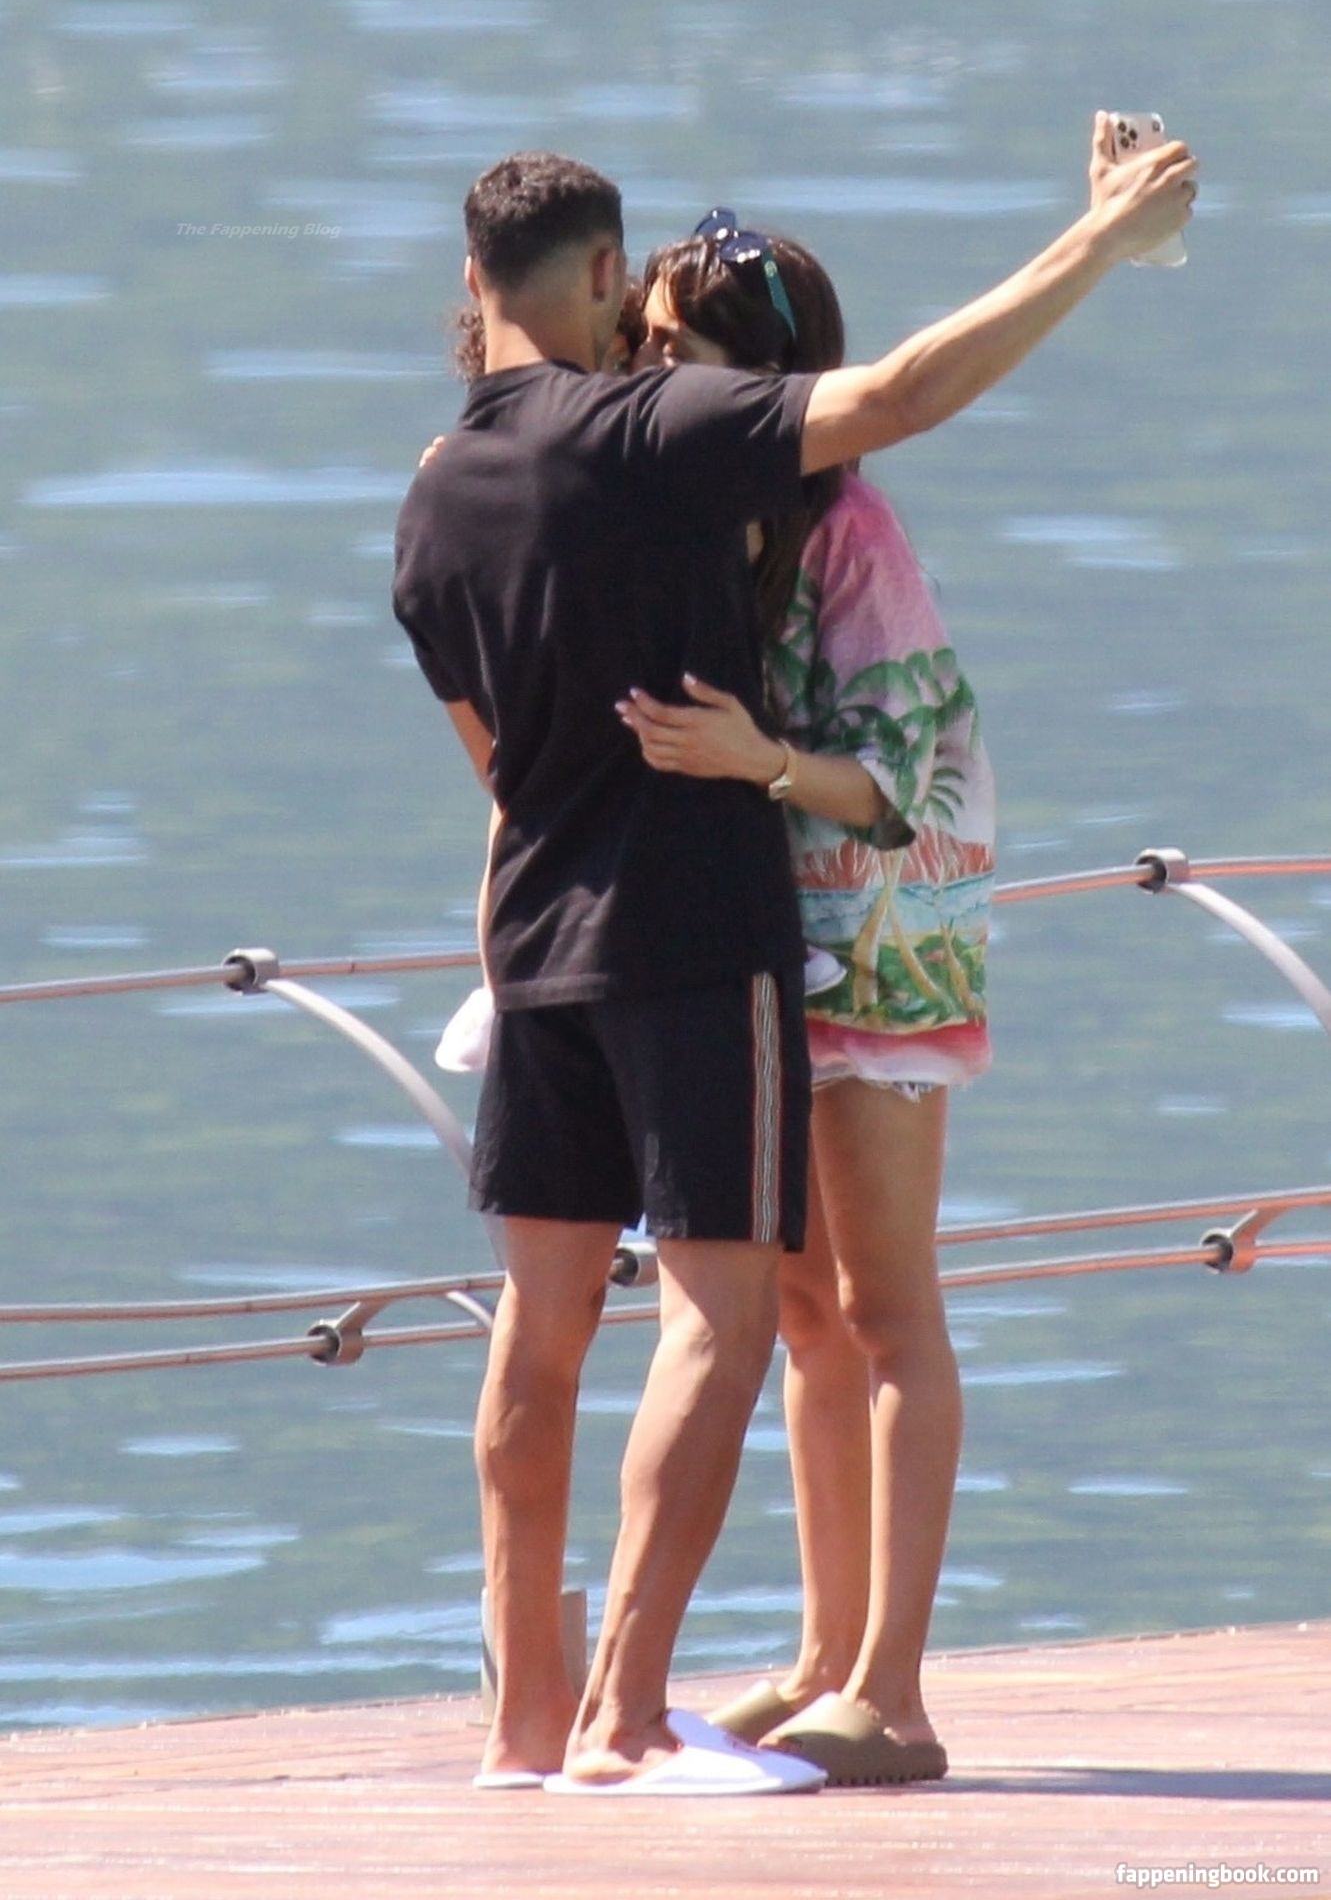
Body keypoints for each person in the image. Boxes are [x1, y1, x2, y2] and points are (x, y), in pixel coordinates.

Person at [391, 123, 1196, 1795]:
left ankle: (570, 1718)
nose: (654, 355)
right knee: (742, 1317)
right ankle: (634, 1712)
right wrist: (1104, 242)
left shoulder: (441, 489)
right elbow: (900, 392)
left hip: (597, 940)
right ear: (601, 281)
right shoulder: (656, 446)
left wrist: (727, 777)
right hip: (699, 942)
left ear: (470, 283)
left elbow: (499, 762)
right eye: (640, 320)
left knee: (582, 1328)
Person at [617, 224, 992, 1787]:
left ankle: (895, 1695)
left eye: (675, 346)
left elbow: (899, 779)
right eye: (638, 342)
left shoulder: (851, 527)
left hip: (887, 942)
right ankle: (823, 1656)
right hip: (766, 949)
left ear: (762, 372)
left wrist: (761, 761)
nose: (650, 373)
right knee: (810, 1313)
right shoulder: (693, 516)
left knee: (890, 1307)